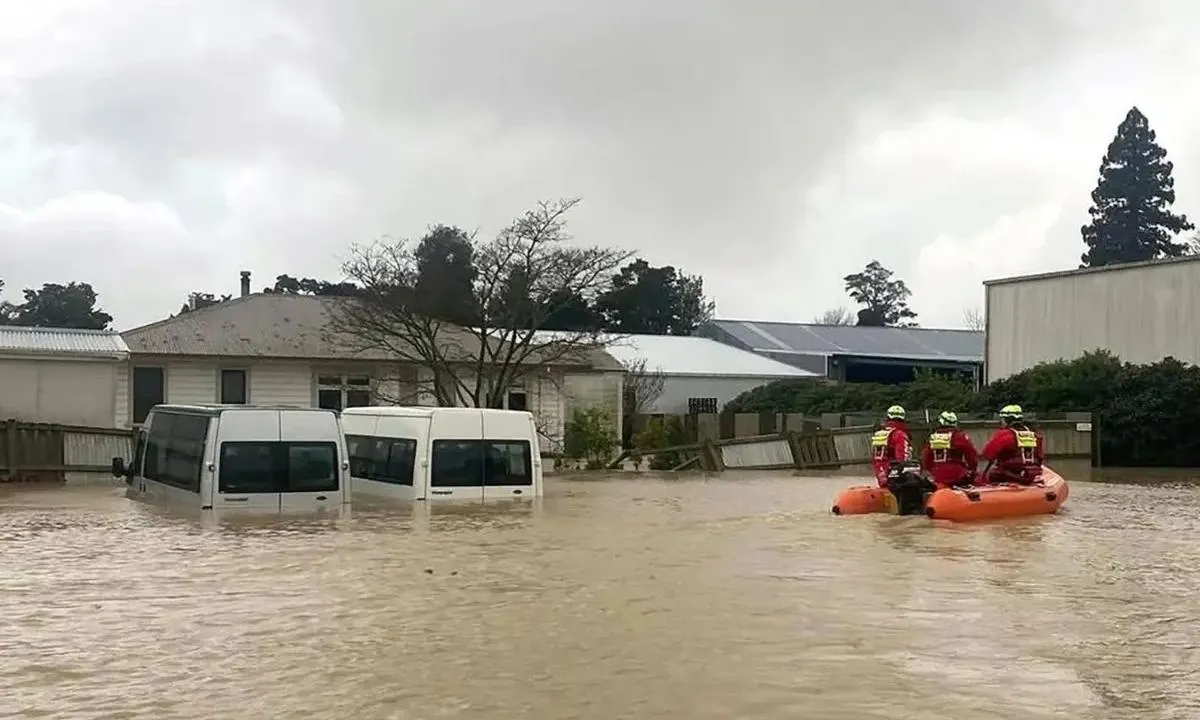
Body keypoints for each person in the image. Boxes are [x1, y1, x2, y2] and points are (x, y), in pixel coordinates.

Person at [980, 404, 1045, 485]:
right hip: (1030, 475)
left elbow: (987, 454)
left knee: (990, 475)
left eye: (1002, 420)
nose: (1001, 422)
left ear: (1007, 420)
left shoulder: (1004, 435)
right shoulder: (1035, 435)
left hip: (1009, 475)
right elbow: (1040, 457)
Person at [920, 411, 979, 489]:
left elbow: (925, 457)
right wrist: (973, 470)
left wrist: (928, 471)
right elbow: (971, 455)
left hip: (936, 476)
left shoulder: (933, 437)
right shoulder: (960, 436)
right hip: (957, 474)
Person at [870, 405, 912, 488]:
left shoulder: (880, 434)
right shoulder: (900, 435)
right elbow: (902, 458)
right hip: (894, 473)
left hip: (879, 470)